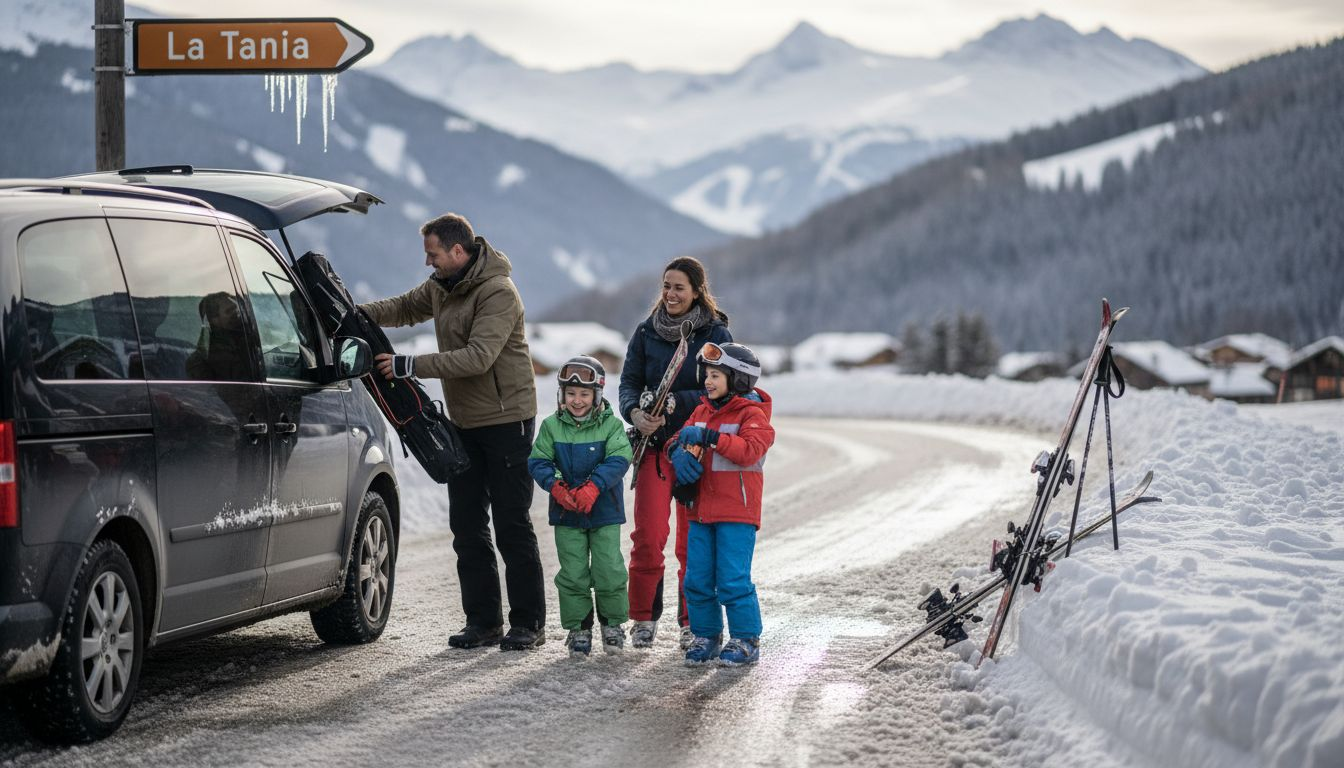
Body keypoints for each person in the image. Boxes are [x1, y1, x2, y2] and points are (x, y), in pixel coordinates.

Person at [361, 213, 546, 652]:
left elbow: (478, 357)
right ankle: (483, 623)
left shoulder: (498, 292)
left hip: (506, 422)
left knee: (511, 524)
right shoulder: (442, 287)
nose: (428, 263)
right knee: (466, 526)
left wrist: (409, 365)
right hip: (464, 424)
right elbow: (402, 308)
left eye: (433, 254)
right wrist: (352, 315)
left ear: (458, 252)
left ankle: (529, 624)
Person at [618, 256, 732, 650]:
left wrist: (675, 404)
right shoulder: (647, 331)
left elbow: (722, 388)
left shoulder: (715, 335)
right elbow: (629, 382)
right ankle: (644, 619)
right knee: (648, 536)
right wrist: (635, 412)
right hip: (651, 447)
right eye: (666, 285)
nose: (670, 293)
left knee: (690, 543)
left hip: (694, 450)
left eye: (679, 287)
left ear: (697, 291)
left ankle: (692, 621)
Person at [666, 342, 774, 666]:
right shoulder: (701, 411)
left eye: (716, 375)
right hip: (699, 511)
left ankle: (745, 639)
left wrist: (710, 439)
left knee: (732, 579)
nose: (707, 381)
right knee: (697, 579)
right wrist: (676, 454)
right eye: (707, 374)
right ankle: (706, 635)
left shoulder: (752, 415)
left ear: (739, 379)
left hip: (736, 514)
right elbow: (677, 438)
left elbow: (749, 450)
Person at [528, 356, 633, 657]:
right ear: (562, 394)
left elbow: (619, 460)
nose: (577, 400)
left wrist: (594, 486)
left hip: (604, 512)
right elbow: (538, 461)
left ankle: (612, 625)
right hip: (567, 513)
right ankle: (579, 629)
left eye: (584, 394)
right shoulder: (551, 427)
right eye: (571, 394)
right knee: (573, 573)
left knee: (608, 569)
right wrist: (556, 486)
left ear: (597, 395)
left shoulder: (612, 426)